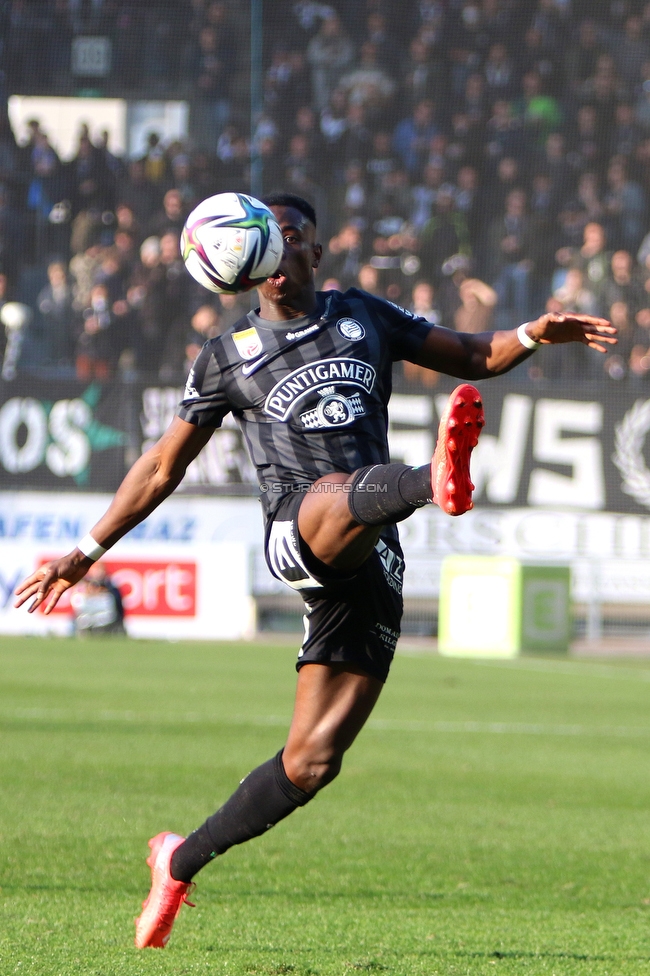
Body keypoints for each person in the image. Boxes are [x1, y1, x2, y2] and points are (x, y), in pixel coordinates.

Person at [14, 193, 616, 950]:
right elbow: (161, 466)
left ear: (311, 253)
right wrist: (88, 550)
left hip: (372, 555)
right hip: (297, 529)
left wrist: (534, 332)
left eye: (289, 235)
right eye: (265, 236)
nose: (275, 249)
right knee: (339, 499)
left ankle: (178, 860)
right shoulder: (228, 353)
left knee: (312, 761)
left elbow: (470, 355)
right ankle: (434, 480)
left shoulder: (360, 315)